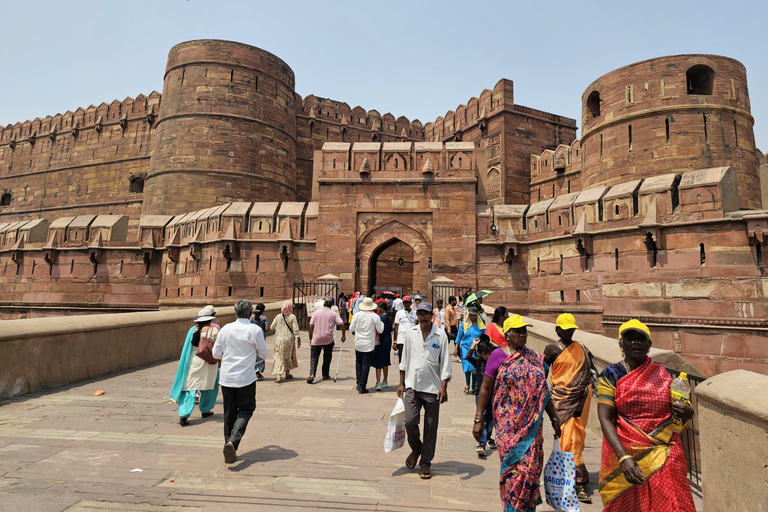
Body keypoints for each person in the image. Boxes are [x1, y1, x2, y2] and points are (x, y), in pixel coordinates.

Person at [597, 319, 696, 511]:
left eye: (641, 339)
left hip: (666, 451)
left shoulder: (662, 374)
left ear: (649, 345)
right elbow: (606, 418)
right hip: (628, 454)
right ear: (621, 345)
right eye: (630, 338)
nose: (636, 342)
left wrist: (688, 412)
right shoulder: (611, 374)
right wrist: (623, 458)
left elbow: (679, 411)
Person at [472, 314, 561, 512]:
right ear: (507, 334)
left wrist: (554, 417)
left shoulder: (535, 358)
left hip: (532, 427)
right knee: (514, 473)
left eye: (524, 331)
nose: (522, 335)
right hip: (507, 427)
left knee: (530, 470)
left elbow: (543, 391)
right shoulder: (498, 356)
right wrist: (478, 419)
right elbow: (485, 389)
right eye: (517, 332)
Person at [543, 313, 595, 503]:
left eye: (571, 329)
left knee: (576, 439)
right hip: (560, 400)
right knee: (567, 438)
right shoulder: (551, 350)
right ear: (558, 330)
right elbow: (543, 373)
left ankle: (574, 480)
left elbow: (592, 369)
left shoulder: (581, 348)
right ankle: (575, 480)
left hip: (580, 399)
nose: (569, 332)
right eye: (565, 330)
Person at [397, 301, 451, 480]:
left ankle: (426, 463)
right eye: (419, 313)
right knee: (409, 421)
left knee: (430, 426)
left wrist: (444, 387)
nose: (422, 317)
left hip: (433, 388)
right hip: (412, 384)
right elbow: (404, 359)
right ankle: (417, 448)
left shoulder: (440, 335)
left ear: (431, 316)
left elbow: (445, 364)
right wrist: (401, 383)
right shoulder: (411, 334)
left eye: (425, 314)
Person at [212, 299, 269, 463]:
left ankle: (228, 446)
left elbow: (216, 354)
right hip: (245, 378)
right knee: (246, 408)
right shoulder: (254, 330)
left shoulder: (225, 329)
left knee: (229, 412)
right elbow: (264, 353)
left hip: (227, 377)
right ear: (250, 312)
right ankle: (232, 442)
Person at [169, 308, 221, 425]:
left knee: (190, 387)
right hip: (208, 362)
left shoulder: (192, 330)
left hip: (194, 361)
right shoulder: (213, 330)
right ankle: (205, 409)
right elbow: (219, 347)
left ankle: (184, 413)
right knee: (210, 386)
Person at [464, 334, 499, 457]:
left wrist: (492, 343)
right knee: (482, 416)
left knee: (490, 416)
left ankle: (488, 436)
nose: (487, 356)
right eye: (485, 354)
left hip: (493, 393)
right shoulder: (478, 362)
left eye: (489, 353)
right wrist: (474, 344)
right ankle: (482, 443)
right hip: (480, 393)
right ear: (480, 354)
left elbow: (501, 351)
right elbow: (467, 356)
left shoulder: (494, 362)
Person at [349, 297, 384, 394]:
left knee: (358, 362)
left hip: (359, 342)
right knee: (365, 364)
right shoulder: (374, 316)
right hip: (368, 343)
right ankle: (362, 385)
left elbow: (351, 328)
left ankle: (358, 381)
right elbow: (380, 330)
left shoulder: (357, 315)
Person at [308, 298, 346, 384]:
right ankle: (325, 374)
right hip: (328, 339)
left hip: (316, 338)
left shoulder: (316, 313)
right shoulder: (333, 313)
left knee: (314, 357)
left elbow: (310, 326)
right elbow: (342, 324)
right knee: (327, 356)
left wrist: (310, 338)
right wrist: (343, 335)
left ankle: (312, 374)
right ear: (331, 305)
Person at [456, 306, 485, 394]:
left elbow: (484, 336)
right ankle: (467, 383)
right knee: (467, 365)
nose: (473, 317)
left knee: (474, 367)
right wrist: (456, 347)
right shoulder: (464, 324)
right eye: (471, 315)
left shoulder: (481, 325)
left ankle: (474, 385)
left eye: (474, 315)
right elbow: (459, 335)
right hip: (465, 347)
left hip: (476, 348)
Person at [270, 301, 301, 384]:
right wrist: (298, 338)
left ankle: (278, 376)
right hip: (289, 340)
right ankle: (287, 374)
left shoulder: (278, 316)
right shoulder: (292, 317)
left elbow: (272, 327)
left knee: (278, 356)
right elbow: (295, 329)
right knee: (287, 356)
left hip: (278, 340)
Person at [372, 299, 393, 391]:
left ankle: (378, 382)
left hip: (381, 339)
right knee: (386, 360)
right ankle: (385, 380)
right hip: (388, 339)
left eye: (379, 308)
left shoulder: (381, 318)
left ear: (382, 308)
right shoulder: (388, 317)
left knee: (378, 360)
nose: (378, 309)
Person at [251, 302, 269, 380]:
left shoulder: (251, 318)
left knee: (253, 354)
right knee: (260, 355)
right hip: (261, 338)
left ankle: (254, 371)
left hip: (252, 338)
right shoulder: (264, 318)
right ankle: (258, 372)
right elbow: (267, 329)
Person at [393, 295, 415, 362]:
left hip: (413, 339)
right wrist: (395, 341)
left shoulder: (415, 313)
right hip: (402, 339)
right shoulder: (399, 313)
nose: (406, 304)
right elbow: (396, 328)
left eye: (407, 302)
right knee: (402, 360)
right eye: (404, 303)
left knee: (412, 360)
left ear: (410, 303)